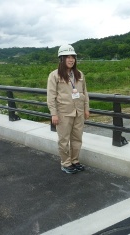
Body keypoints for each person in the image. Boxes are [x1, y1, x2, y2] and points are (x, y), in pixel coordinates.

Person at [47, 44, 90, 174]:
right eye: (68, 57)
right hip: (63, 113)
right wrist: (54, 114)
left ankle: (75, 161)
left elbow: (85, 92)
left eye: (73, 57)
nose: (71, 60)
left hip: (79, 112)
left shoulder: (79, 74)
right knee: (64, 139)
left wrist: (86, 108)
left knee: (77, 138)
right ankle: (66, 163)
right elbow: (51, 96)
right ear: (61, 59)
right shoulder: (54, 75)